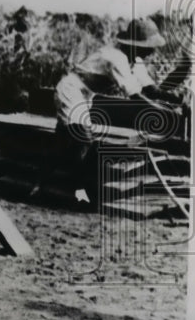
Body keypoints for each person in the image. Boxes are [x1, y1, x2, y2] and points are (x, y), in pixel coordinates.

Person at [54, 17, 180, 204]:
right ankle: (77, 192)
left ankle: (66, 176)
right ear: (136, 45)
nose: (152, 51)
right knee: (84, 140)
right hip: (71, 90)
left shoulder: (134, 60)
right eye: (148, 46)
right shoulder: (115, 58)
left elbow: (149, 89)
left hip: (86, 95)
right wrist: (161, 111)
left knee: (75, 137)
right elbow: (134, 96)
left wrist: (176, 98)